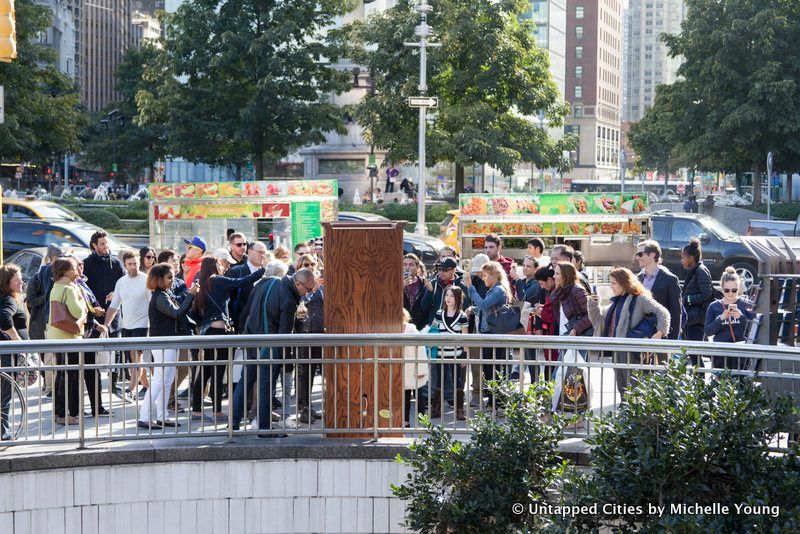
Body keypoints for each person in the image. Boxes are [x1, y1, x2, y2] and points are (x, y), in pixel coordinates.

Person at [232, 268, 319, 437]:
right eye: (307, 290)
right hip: (269, 348)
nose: (307, 295)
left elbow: (247, 309)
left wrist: (243, 334)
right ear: (298, 284)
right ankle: (264, 429)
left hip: (251, 340)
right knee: (266, 387)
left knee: (245, 382)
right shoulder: (288, 300)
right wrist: (287, 361)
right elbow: (284, 335)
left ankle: (233, 423)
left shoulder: (267, 281)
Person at [191, 257, 265, 423]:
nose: (224, 266)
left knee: (206, 370)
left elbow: (195, 312)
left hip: (207, 330)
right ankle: (217, 412)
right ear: (214, 266)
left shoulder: (202, 283)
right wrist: (263, 269)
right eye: (220, 263)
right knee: (218, 370)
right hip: (219, 331)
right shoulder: (217, 280)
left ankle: (196, 410)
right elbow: (244, 281)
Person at [588, 268, 670, 395]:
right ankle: (626, 413)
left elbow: (663, 313)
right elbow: (598, 321)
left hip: (632, 352)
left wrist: (659, 333)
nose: (611, 287)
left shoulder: (640, 299)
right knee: (622, 388)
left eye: (613, 283)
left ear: (624, 283)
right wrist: (593, 304)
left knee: (634, 388)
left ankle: (636, 414)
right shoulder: (614, 303)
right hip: (618, 351)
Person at [139, 263, 199, 430]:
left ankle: (162, 416)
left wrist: (189, 293)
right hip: (163, 343)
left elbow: (177, 308)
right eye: (169, 277)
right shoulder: (160, 296)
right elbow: (177, 313)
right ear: (159, 279)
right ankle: (144, 417)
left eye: (173, 276)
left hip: (168, 342)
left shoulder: (164, 293)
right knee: (159, 381)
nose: (173, 280)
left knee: (166, 381)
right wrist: (191, 295)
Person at [463, 261, 513, 408]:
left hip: (494, 335)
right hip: (490, 334)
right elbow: (486, 309)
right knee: (490, 370)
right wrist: (473, 309)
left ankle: (497, 403)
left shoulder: (498, 290)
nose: (483, 278)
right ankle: (494, 402)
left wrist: (470, 288)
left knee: (494, 371)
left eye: (485, 275)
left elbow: (484, 305)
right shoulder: (495, 289)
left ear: (493, 275)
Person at [82, 230, 126, 399]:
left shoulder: (116, 263)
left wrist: (116, 292)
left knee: (115, 354)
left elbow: (124, 283)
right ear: (94, 245)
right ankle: (95, 393)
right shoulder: (87, 264)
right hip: (94, 318)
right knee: (93, 357)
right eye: (102, 243)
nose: (106, 246)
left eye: (107, 243)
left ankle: (114, 385)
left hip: (114, 317)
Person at [104, 250, 151, 400]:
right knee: (134, 359)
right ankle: (147, 387)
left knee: (136, 357)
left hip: (143, 324)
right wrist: (106, 324)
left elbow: (153, 303)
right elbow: (114, 305)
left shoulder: (146, 280)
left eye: (135, 263)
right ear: (125, 265)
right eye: (130, 264)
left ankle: (130, 389)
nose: (133, 266)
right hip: (127, 325)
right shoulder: (121, 282)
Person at [46, 257, 87, 426]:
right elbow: (78, 312)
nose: (77, 272)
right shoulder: (69, 290)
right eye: (73, 269)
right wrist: (83, 306)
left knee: (61, 376)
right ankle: (66, 414)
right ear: (65, 271)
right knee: (70, 377)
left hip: (57, 337)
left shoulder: (56, 288)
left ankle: (59, 413)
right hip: (69, 338)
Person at [25, 243, 68, 396]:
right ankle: (49, 387)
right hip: (42, 324)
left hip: (54, 323)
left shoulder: (59, 276)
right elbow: (30, 301)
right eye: (61, 257)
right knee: (47, 358)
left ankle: (51, 386)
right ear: (54, 258)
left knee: (52, 358)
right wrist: (48, 298)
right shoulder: (38, 277)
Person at [72, 256, 111, 415]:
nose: (81, 268)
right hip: (79, 334)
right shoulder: (72, 286)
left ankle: (97, 407)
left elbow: (89, 304)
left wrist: (95, 320)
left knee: (92, 371)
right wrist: (94, 313)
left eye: (81, 265)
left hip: (90, 331)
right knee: (74, 374)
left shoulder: (82, 283)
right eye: (77, 266)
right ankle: (73, 410)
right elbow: (80, 310)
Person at [704, 267, 756, 371]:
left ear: (739, 288)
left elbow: (755, 329)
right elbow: (708, 331)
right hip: (720, 354)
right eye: (726, 290)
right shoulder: (714, 306)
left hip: (741, 354)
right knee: (721, 383)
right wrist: (720, 318)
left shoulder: (746, 304)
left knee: (741, 383)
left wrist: (741, 317)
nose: (730, 293)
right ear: (721, 288)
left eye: (734, 290)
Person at [430, 286, 469, 420]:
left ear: (457, 298)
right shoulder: (439, 314)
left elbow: (465, 337)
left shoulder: (462, 316)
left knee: (457, 381)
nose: (448, 298)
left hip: (456, 354)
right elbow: (433, 331)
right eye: (447, 295)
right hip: (441, 353)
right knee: (439, 381)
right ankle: (436, 409)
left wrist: (465, 356)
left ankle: (459, 410)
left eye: (452, 296)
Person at [294, 255, 324, 424]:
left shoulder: (321, 284)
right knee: (303, 373)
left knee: (317, 373)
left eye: (313, 263)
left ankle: (313, 407)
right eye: (307, 264)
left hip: (320, 332)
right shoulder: (298, 283)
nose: (311, 266)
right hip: (303, 333)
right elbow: (299, 300)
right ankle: (303, 409)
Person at [0, 264, 28, 440]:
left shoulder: (3, 298)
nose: (21, 283)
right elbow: (4, 319)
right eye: (18, 280)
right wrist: (16, 340)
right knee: (5, 394)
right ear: (8, 283)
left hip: (5, 352)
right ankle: (3, 431)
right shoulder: (9, 300)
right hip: (7, 354)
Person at [636, 240, 682, 340]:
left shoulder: (670, 279)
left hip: (662, 337)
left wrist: (671, 341)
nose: (637, 257)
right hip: (640, 337)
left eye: (640, 254)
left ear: (652, 255)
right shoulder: (637, 279)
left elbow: (676, 313)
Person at [509, 255, 541, 382]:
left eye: (529, 266)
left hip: (531, 323)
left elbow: (524, 297)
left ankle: (536, 384)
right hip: (522, 321)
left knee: (531, 356)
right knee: (526, 355)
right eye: (524, 265)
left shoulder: (536, 284)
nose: (525, 268)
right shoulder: (525, 282)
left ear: (535, 269)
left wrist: (517, 279)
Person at [227, 241, 271, 332]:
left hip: (263, 325)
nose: (263, 256)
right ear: (250, 252)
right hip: (241, 325)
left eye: (264, 253)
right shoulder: (236, 271)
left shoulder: (269, 273)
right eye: (260, 252)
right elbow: (229, 299)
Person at [681, 238, 713, 358]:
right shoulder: (696, 270)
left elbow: (706, 294)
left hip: (697, 318)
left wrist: (687, 299)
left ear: (691, 258)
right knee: (693, 353)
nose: (681, 260)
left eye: (683, 257)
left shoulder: (700, 271)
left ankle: (699, 375)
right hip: (693, 317)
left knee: (695, 354)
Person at [466, 253, 490, 407]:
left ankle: (493, 395)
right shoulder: (473, 279)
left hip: (490, 329)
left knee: (490, 363)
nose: (478, 274)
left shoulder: (494, 283)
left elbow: (484, 304)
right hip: (474, 327)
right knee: (475, 363)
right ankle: (476, 393)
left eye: (481, 272)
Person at [420, 257, 470, 326]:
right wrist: (430, 292)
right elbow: (424, 307)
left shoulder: (461, 286)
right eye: (439, 269)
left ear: (454, 270)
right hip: (435, 328)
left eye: (445, 270)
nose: (441, 272)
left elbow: (465, 308)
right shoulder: (433, 283)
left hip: (453, 328)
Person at [550, 262, 593, 338]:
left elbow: (590, 314)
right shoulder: (559, 293)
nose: (554, 276)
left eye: (557, 274)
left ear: (566, 275)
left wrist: (575, 329)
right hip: (564, 335)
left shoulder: (577, 291)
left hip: (577, 337)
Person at [402, 309, 428, 426]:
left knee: (419, 394)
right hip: (403, 369)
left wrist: (421, 369)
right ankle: (405, 420)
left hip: (414, 368)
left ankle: (423, 420)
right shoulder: (392, 329)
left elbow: (421, 349)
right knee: (405, 395)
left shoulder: (411, 329)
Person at [403, 253, 428, 331]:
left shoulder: (423, 283)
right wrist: (401, 287)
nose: (407, 267)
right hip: (403, 325)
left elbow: (427, 305)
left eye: (411, 265)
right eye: (404, 264)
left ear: (417, 267)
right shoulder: (395, 282)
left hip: (420, 325)